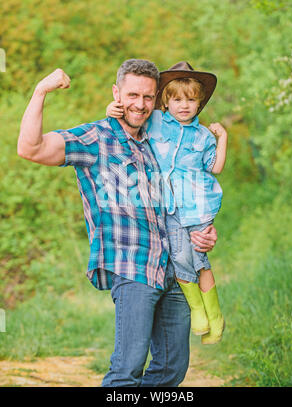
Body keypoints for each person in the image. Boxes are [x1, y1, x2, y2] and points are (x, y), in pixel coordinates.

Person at [17, 59, 217, 387]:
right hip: (133, 265)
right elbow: (30, 147)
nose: (140, 104)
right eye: (132, 95)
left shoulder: (161, 143)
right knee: (127, 371)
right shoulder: (96, 137)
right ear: (116, 94)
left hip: (177, 270)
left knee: (172, 371)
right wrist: (41, 91)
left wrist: (205, 231)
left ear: (157, 100)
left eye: (148, 97)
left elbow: (191, 196)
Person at [107, 61, 227, 344]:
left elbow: (216, 167)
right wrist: (111, 111)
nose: (183, 106)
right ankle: (198, 310)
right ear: (166, 101)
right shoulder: (156, 121)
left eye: (191, 100)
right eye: (177, 99)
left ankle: (216, 315)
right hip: (168, 206)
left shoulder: (203, 136)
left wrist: (223, 137)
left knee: (201, 259)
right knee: (181, 256)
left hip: (199, 205)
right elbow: (130, 117)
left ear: (199, 103)